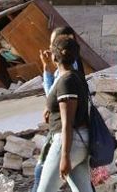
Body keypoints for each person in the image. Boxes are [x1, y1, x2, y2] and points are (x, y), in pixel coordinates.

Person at [37, 34, 92, 192]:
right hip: (80, 141)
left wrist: (65, 156)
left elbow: (67, 121)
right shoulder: (74, 76)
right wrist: (46, 68)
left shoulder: (66, 81)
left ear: (54, 56)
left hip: (68, 142)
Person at [33, 26, 80, 192]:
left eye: (53, 45)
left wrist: (65, 156)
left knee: (41, 178)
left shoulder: (67, 76)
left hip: (62, 135)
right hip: (67, 134)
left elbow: (66, 118)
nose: (49, 48)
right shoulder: (69, 71)